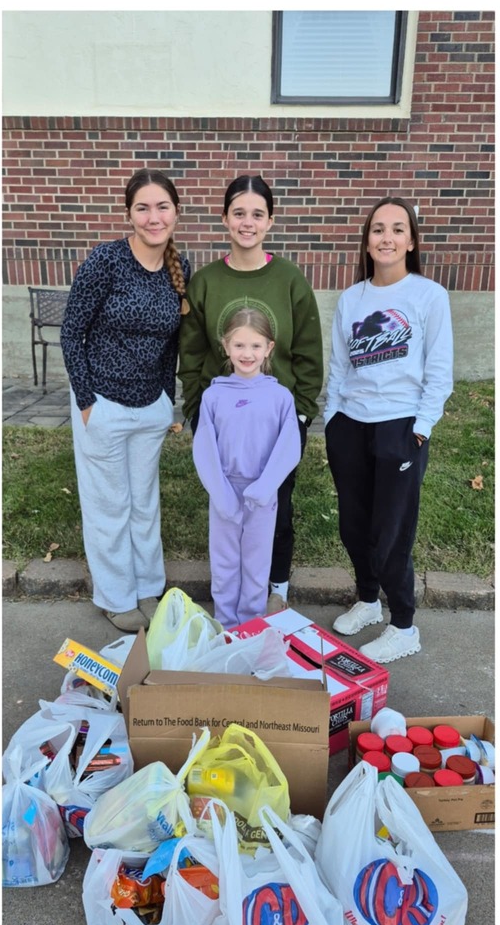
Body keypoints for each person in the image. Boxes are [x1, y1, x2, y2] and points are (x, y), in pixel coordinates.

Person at [178, 175, 323, 614]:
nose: (248, 222)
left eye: (257, 214)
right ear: (225, 218)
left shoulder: (289, 279)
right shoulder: (206, 282)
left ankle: (274, 589)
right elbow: (191, 351)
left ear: (270, 221)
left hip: (276, 420)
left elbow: (309, 350)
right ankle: (230, 604)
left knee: (276, 507)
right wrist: (195, 411)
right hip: (223, 420)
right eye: (239, 213)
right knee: (227, 509)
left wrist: (300, 414)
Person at [59, 168, 191, 633]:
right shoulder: (106, 260)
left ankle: (147, 587)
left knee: (144, 505)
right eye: (143, 208)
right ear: (129, 214)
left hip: (151, 405)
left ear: (176, 212)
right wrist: (86, 400)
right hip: (104, 403)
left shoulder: (180, 267)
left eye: (162, 207)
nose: (154, 217)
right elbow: (72, 331)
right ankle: (116, 597)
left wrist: (167, 398)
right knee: (109, 507)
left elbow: (172, 341)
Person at [323, 197, 453, 663]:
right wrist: (333, 418)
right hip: (351, 425)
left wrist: (421, 427)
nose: (387, 238)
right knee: (354, 525)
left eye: (398, 229)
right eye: (378, 229)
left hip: (400, 425)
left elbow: (439, 369)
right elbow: (340, 366)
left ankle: (403, 626)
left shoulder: (428, 296)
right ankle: (368, 599)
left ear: (411, 241)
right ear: (367, 241)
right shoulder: (352, 299)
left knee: (391, 532)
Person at [192, 308, 302, 629]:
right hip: (224, 490)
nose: (247, 354)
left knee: (256, 564)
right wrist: (221, 494)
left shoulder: (280, 397)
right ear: (226, 346)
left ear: (269, 348)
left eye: (255, 346)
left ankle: (251, 625)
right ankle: (226, 626)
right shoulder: (213, 396)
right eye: (239, 345)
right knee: (225, 563)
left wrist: (264, 488)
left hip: (262, 495)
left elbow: (288, 447)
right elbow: (205, 449)